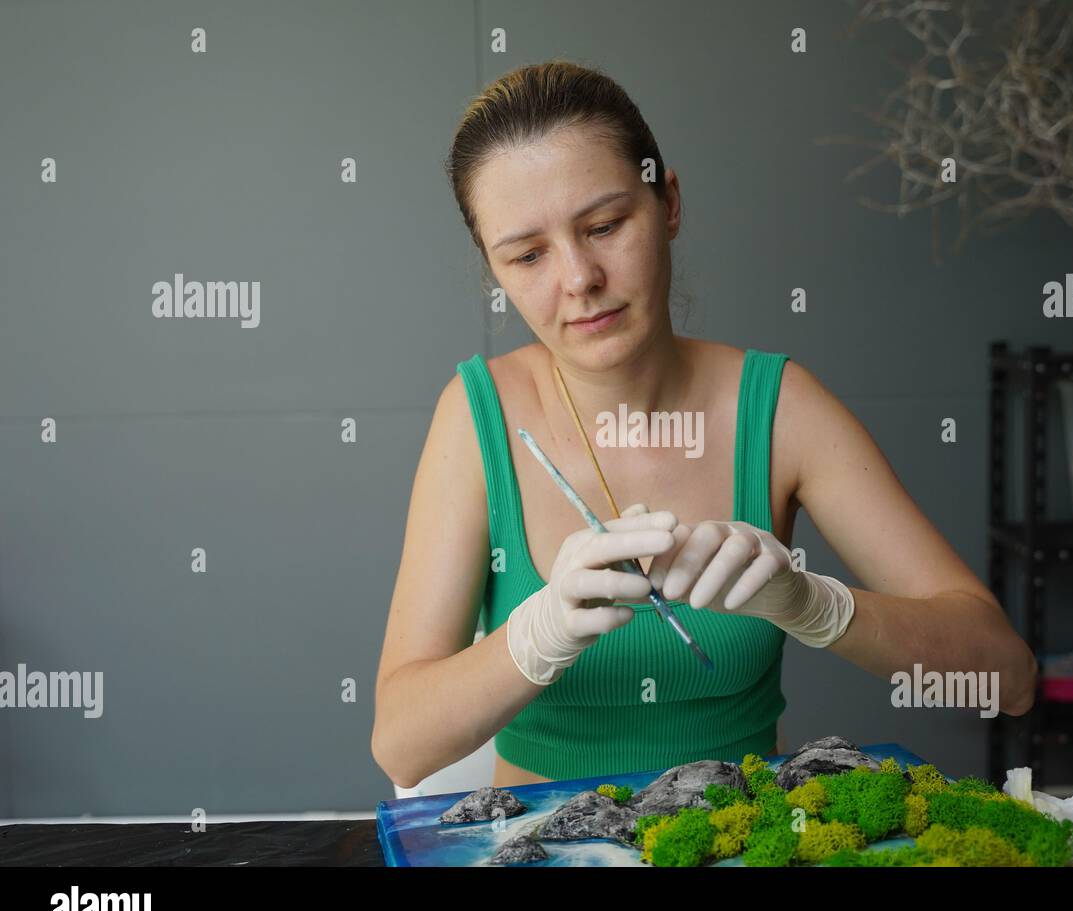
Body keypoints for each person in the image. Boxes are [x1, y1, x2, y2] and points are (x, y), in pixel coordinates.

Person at [371, 60, 1036, 791]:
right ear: (494, 271)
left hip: (737, 837)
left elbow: (1007, 679)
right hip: (547, 843)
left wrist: (816, 606)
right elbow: (403, 747)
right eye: (527, 255)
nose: (579, 278)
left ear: (670, 203)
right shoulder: (475, 416)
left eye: (605, 225)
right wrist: (535, 636)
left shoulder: (781, 407)